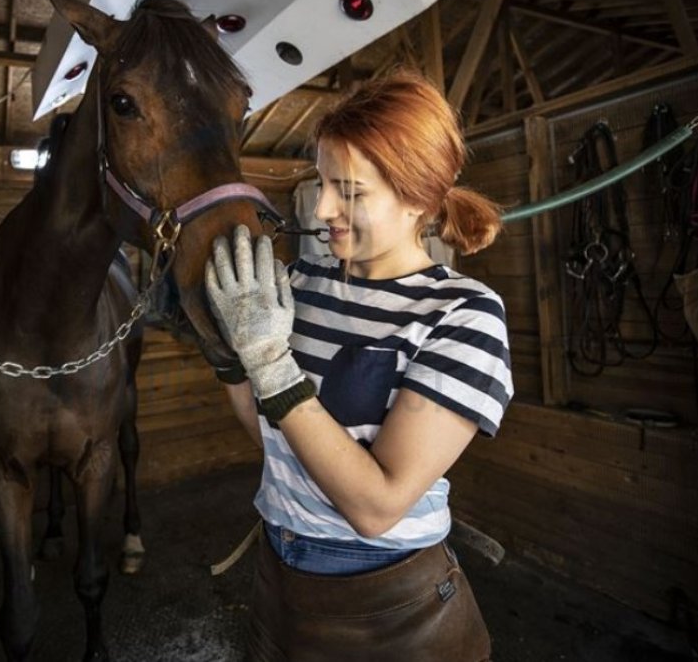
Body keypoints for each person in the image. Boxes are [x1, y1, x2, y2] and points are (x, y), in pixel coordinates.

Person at [205, 71, 513, 662]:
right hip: (277, 570)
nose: (322, 208)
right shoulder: (302, 284)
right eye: (322, 183)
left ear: (417, 198)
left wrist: (268, 362)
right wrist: (225, 353)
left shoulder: (465, 316)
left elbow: (376, 507)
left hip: (386, 597)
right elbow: (272, 435)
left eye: (349, 191)